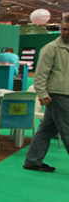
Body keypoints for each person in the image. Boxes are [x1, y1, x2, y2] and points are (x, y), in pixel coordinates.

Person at [22, 15, 69, 172]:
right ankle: (33, 160)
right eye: (63, 29)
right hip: (58, 95)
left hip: (63, 94)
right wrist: (42, 94)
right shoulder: (51, 49)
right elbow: (40, 74)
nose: (65, 32)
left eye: (68, 29)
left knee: (47, 129)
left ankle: (32, 160)